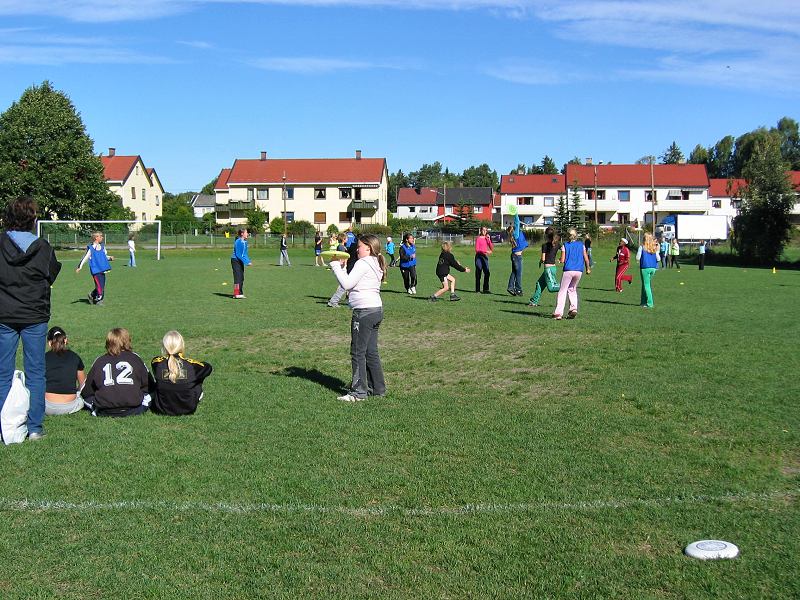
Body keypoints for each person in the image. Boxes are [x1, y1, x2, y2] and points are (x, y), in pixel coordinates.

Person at [0, 197, 61, 441]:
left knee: (3, 373)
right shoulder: (43, 247)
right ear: (33, 219)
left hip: (5, 314)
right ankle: (35, 427)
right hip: (34, 314)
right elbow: (51, 274)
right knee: (35, 373)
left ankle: (4, 427)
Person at [330, 234, 387, 402]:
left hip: (364, 312)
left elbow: (347, 284)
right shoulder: (376, 261)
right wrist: (342, 268)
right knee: (371, 351)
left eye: (359, 246)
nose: (357, 249)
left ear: (368, 248)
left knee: (357, 352)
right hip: (376, 310)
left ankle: (358, 392)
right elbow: (351, 281)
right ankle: (378, 389)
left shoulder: (363, 263)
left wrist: (335, 265)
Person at [82, 328, 153, 417]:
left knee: (87, 397)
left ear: (108, 343)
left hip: (105, 410)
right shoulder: (135, 358)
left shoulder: (99, 360)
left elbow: (86, 390)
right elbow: (150, 385)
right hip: (134, 408)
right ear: (127, 341)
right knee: (150, 394)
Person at [150, 331, 213, 416]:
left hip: (162, 408)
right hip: (188, 409)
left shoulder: (156, 363)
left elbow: (159, 361)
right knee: (197, 377)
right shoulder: (192, 366)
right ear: (181, 345)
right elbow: (208, 368)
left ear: (164, 346)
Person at [44, 326, 85, 416]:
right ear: (65, 340)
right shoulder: (75, 357)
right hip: (70, 406)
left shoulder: (43, 358)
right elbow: (83, 384)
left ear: (49, 343)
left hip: (47, 406)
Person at [552, 228, 591, 320]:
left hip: (568, 270)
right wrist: (588, 268)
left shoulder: (565, 245)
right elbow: (586, 258)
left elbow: (562, 260)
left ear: (567, 236)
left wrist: (559, 260)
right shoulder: (581, 245)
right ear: (576, 235)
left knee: (562, 291)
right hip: (579, 271)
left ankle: (558, 313)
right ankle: (573, 309)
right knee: (572, 289)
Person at [76, 231, 112, 305]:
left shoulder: (102, 247)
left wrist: (109, 258)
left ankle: (92, 295)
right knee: (99, 285)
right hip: (95, 270)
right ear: (96, 238)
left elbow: (104, 257)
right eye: (101, 236)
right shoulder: (91, 248)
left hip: (102, 269)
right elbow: (85, 258)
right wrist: (80, 267)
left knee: (102, 285)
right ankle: (99, 300)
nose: (102, 237)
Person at [528, 227, 560, 307]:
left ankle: (566, 286)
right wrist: (560, 259)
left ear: (546, 235)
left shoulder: (545, 245)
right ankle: (534, 301)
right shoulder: (557, 244)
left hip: (548, 269)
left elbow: (543, 259)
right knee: (539, 283)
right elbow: (564, 249)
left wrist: (541, 261)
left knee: (551, 288)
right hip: (552, 268)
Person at [506, 213, 528, 296]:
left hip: (514, 256)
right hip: (517, 257)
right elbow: (517, 222)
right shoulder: (516, 234)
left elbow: (517, 224)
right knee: (518, 274)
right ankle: (518, 289)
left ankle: (510, 287)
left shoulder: (515, 235)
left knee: (514, 272)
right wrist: (515, 213)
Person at [636, 232, 660, 309]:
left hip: (645, 267)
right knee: (645, 284)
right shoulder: (654, 247)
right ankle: (643, 302)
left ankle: (650, 303)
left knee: (646, 285)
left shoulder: (642, 247)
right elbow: (658, 259)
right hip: (653, 268)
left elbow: (637, 257)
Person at [327, 233, 350, 307]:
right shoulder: (341, 247)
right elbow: (342, 256)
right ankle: (333, 301)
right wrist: (343, 263)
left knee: (346, 284)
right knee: (345, 285)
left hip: (343, 267)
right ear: (343, 239)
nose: (348, 239)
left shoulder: (342, 246)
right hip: (341, 267)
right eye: (347, 238)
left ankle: (334, 301)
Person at [230, 228, 251, 299]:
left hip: (240, 260)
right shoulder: (238, 241)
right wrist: (246, 262)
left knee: (241, 277)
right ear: (242, 234)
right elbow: (238, 254)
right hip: (235, 260)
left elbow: (245, 254)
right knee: (237, 277)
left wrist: (248, 261)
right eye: (246, 232)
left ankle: (240, 293)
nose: (247, 234)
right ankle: (236, 294)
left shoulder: (245, 242)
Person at [474, 226, 494, 293]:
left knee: (487, 273)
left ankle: (486, 289)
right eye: (483, 230)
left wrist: (489, 239)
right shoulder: (478, 239)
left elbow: (491, 248)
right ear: (481, 231)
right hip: (479, 257)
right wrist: (486, 251)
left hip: (485, 257)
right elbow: (477, 250)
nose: (485, 231)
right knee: (478, 273)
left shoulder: (486, 238)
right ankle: (477, 289)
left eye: (486, 230)